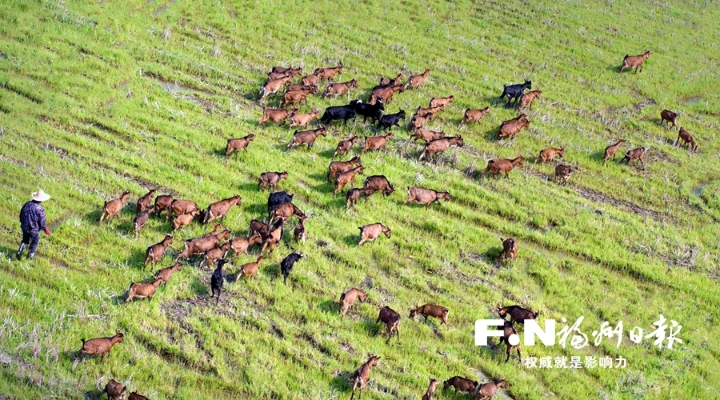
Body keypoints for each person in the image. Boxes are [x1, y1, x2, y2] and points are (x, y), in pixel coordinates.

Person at [17, 189, 51, 260]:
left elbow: (21, 214)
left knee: (25, 240)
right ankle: (29, 259)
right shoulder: (40, 209)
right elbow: (42, 221)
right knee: (35, 243)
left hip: (25, 227)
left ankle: (19, 251)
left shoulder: (27, 204)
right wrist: (45, 229)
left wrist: (22, 223)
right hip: (34, 230)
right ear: (41, 200)